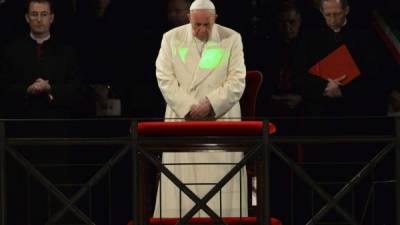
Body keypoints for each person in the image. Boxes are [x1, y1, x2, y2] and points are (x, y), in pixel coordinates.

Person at [154, 0, 247, 217]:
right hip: (182, 116)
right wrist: (188, 107)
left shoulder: (231, 38)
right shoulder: (171, 38)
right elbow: (164, 77)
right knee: (182, 183)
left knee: (219, 184)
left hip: (219, 117)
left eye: (207, 25)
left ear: (215, 19)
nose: (201, 30)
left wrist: (210, 105)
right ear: (189, 18)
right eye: (197, 25)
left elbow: (237, 80)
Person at [292, 0, 388, 119]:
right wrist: (325, 86)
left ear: (346, 10)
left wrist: (344, 91)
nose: (332, 20)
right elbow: (298, 76)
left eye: (337, 14)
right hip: (321, 113)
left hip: (356, 112)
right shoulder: (308, 39)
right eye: (328, 15)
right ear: (321, 12)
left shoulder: (365, 38)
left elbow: (375, 77)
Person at [0, 0, 87, 119]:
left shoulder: (67, 52)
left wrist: (50, 88)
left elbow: (78, 90)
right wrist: (27, 90)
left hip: (58, 122)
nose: (39, 19)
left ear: (51, 18)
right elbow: (4, 88)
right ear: (27, 18)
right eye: (34, 14)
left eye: (44, 14)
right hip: (21, 122)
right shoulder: (12, 50)